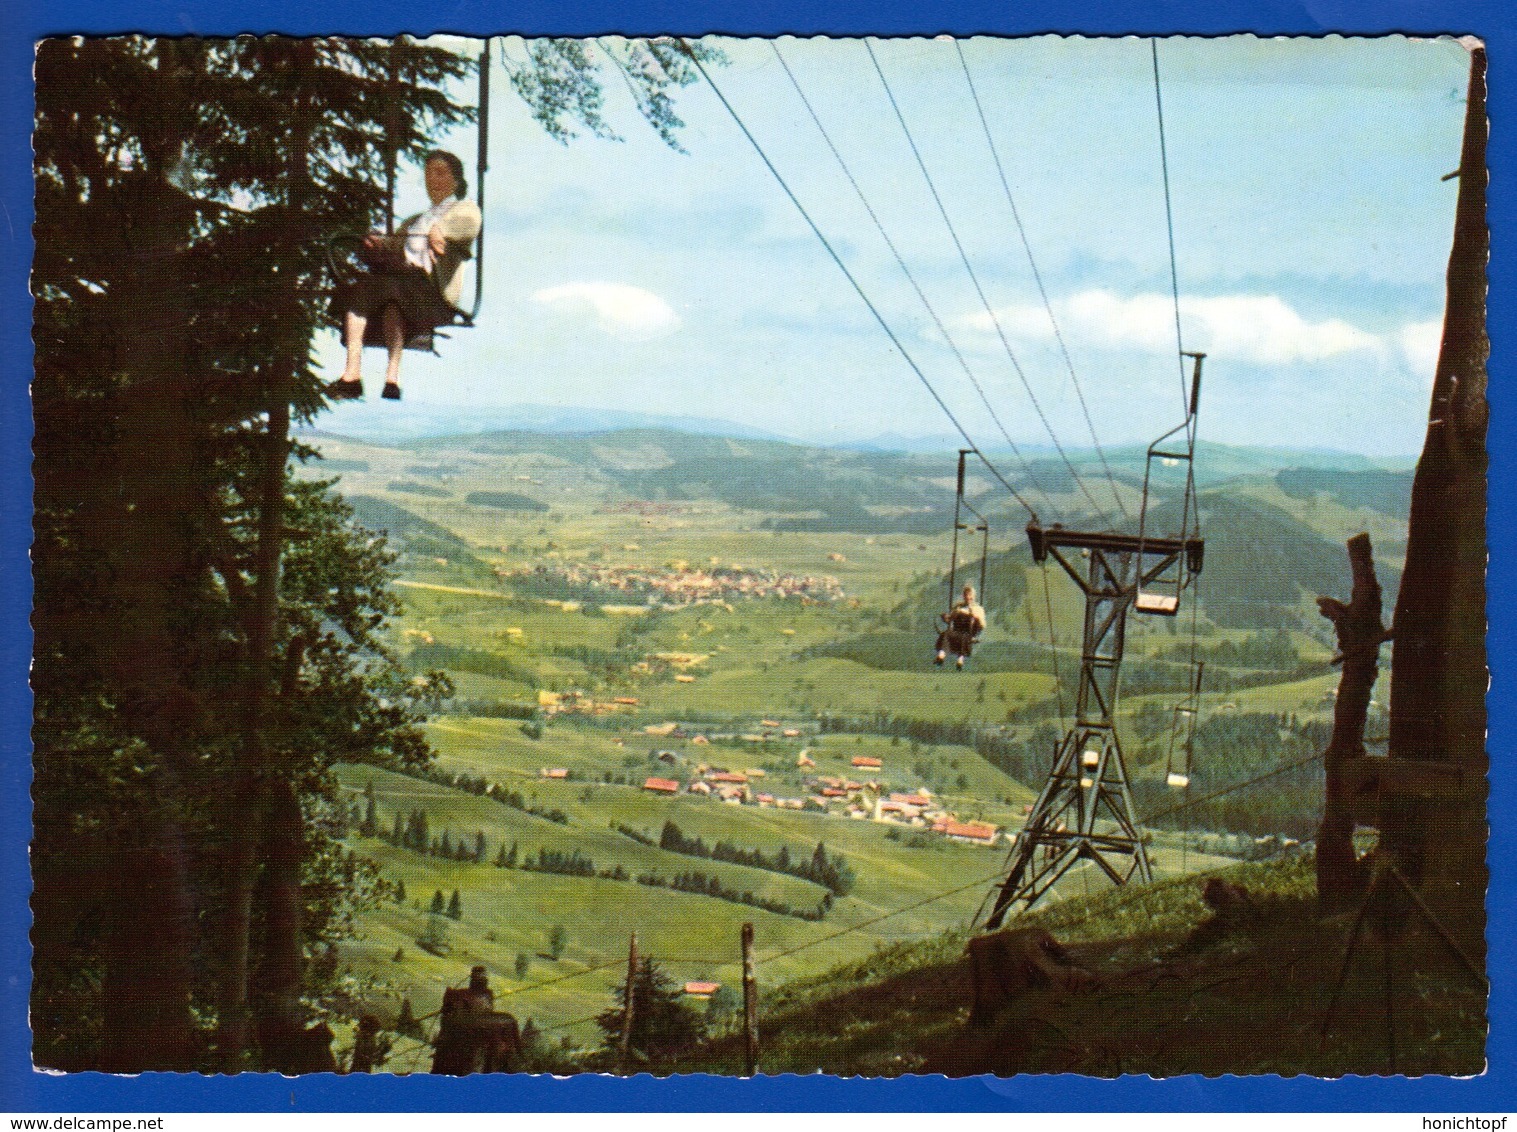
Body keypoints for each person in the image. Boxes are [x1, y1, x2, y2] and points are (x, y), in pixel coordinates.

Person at [327, 150, 482, 402]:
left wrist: (439, 229)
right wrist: (376, 244)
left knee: (395, 289)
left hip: (431, 293)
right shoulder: (415, 221)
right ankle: (354, 374)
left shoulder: (463, 209)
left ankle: (392, 372)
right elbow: (395, 247)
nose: (433, 179)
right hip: (402, 285)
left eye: (441, 173)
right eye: (429, 173)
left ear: (456, 179)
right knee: (364, 292)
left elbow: (467, 224)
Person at [935, 583, 986, 669]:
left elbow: (982, 625)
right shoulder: (958, 607)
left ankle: (960, 659)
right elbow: (949, 620)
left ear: (974, 597)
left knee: (964, 637)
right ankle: (941, 656)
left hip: (969, 632)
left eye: (970, 595)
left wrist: (975, 616)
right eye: (966, 595)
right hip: (957, 630)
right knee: (946, 634)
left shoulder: (978, 609)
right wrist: (946, 617)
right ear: (963, 596)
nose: (968, 597)